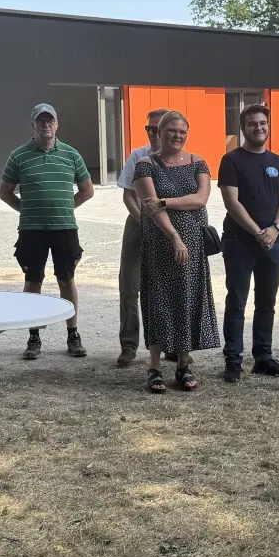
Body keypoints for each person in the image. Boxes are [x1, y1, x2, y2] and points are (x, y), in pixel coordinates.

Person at [0, 102, 94, 360]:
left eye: (50, 120)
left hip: (64, 228)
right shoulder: (19, 156)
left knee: (66, 280)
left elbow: (87, 189)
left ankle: (73, 335)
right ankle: (33, 336)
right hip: (32, 230)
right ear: (33, 125)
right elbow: (4, 192)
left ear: (57, 123)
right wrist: (26, 209)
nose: (46, 124)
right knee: (32, 282)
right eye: (41, 120)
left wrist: (66, 207)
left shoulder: (71, 155)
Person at [133, 111, 219, 392]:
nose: (177, 135)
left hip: (193, 242)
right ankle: (155, 367)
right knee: (158, 300)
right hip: (160, 243)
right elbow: (149, 206)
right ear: (159, 133)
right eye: (172, 130)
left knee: (187, 299)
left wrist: (166, 202)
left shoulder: (199, 162)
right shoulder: (145, 165)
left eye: (183, 131)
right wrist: (174, 237)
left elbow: (201, 198)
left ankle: (183, 364)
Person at [217, 103, 279, 383]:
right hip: (239, 242)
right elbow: (231, 201)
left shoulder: (278, 161)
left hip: (273, 242)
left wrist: (275, 228)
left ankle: (263, 357)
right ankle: (233, 360)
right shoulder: (232, 160)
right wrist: (257, 231)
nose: (259, 128)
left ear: (268, 126)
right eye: (253, 124)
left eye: (263, 123)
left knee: (267, 302)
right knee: (237, 301)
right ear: (243, 127)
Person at [117, 107, 169, 368]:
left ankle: (172, 345)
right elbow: (128, 195)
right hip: (138, 225)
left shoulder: (181, 159)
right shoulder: (137, 156)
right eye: (149, 128)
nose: (153, 133)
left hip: (171, 228)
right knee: (129, 286)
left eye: (158, 128)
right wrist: (145, 221)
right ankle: (129, 345)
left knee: (169, 287)